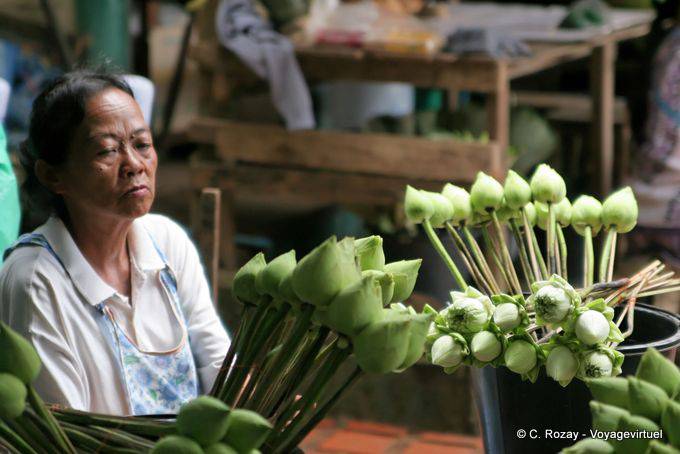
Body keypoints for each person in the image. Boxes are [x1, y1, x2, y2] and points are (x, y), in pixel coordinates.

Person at [0, 71, 229, 416]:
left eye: (142, 145)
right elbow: (68, 434)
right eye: (107, 150)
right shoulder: (35, 280)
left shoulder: (166, 240)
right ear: (53, 175)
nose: (135, 165)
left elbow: (218, 363)